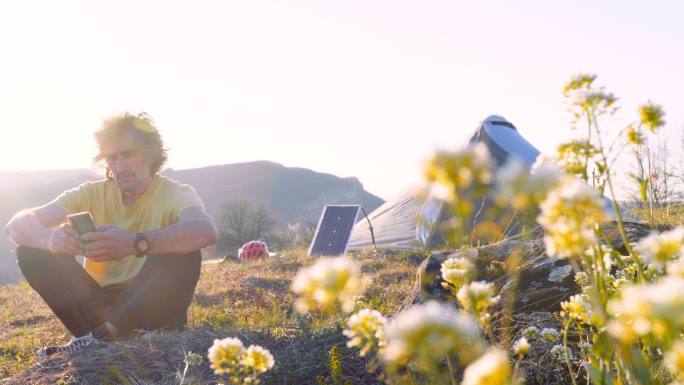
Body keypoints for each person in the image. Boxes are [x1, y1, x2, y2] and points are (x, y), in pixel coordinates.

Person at [4, 112, 218, 358]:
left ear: (151, 154)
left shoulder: (176, 193)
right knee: (31, 252)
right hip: (98, 311)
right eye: (112, 157)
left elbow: (204, 230)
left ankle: (102, 339)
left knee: (184, 251)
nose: (120, 166)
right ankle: (101, 337)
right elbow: (16, 225)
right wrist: (49, 240)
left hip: (153, 308)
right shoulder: (91, 193)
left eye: (128, 154)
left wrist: (135, 243)